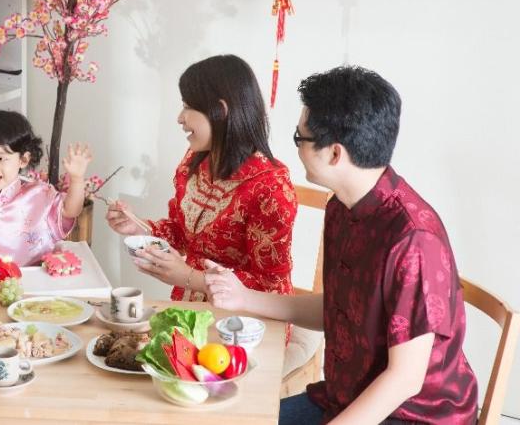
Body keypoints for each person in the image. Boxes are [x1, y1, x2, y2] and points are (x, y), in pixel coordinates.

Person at [206, 66, 478, 424]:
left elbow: (405, 379)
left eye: (299, 138)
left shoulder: (413, 240)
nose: (298, 149)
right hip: (346, 398)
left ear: (334, 154)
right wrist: (245, 298)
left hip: (412, 415)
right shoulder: (341, 208)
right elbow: (338, 308)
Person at [106, 54, 297, 304]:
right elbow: (182, 233)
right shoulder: (195, 161)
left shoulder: (271, 188)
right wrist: (138, 226)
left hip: (247, 321)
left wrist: (189, 277)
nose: (179, 118)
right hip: (191, 306)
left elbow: (269, 286)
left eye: (187, 106)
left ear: (221, 110)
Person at [0, 110, 92, 266]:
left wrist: (77, 179)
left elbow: (71, 211)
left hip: (36, 279)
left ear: (23, 160)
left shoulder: (39, 193)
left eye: (1, 158)